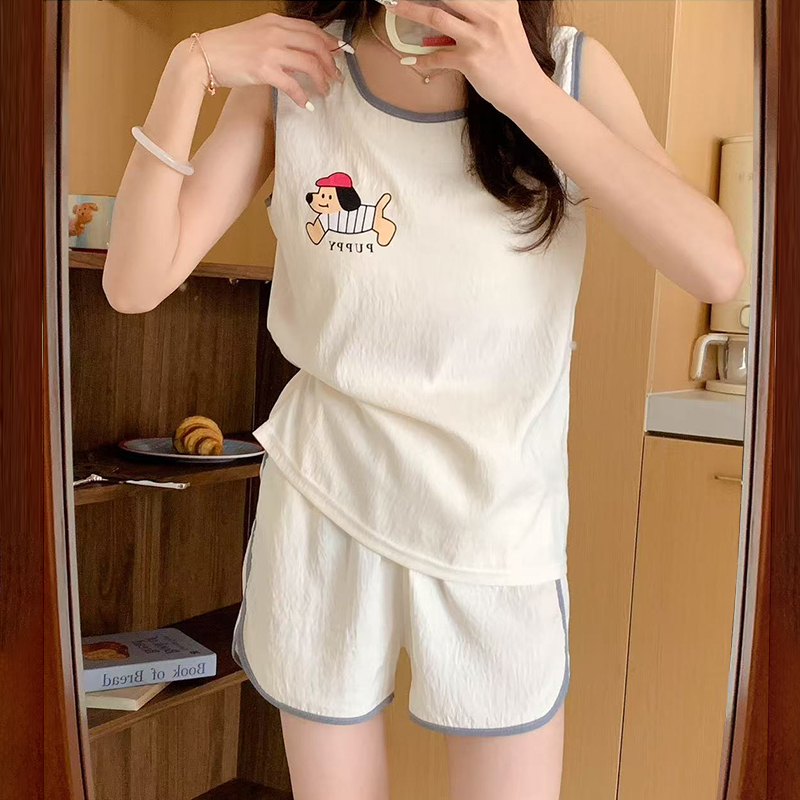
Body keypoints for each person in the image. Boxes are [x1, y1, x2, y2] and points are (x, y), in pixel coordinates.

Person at [102, 2, 744, 798]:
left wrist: (523, 89)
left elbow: (715, 267)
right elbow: (133, 283)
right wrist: (188, 68)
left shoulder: (566, 69)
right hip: (326, 500)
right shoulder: (299, 65)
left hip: (495, 520)